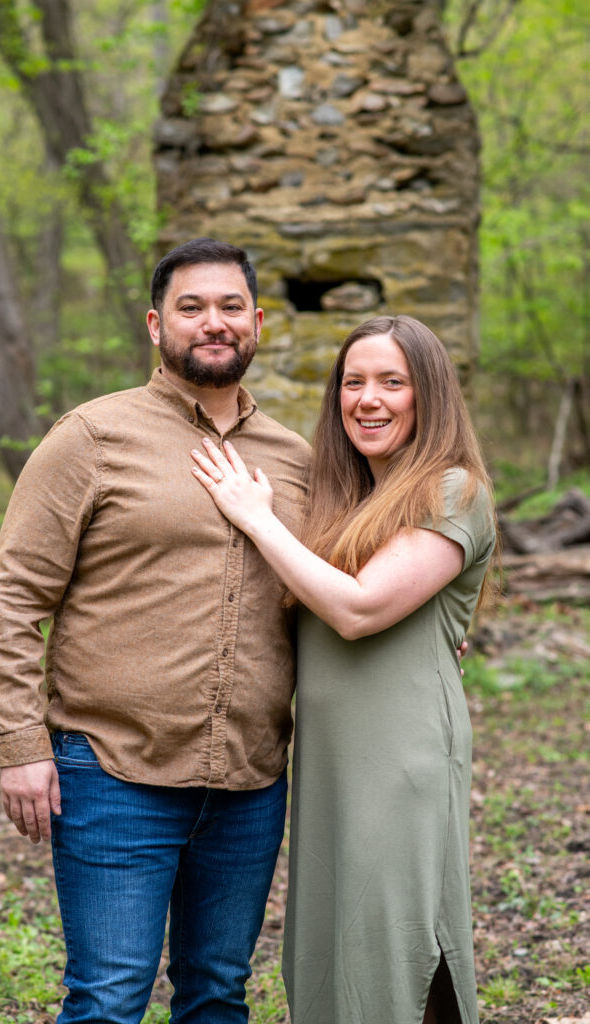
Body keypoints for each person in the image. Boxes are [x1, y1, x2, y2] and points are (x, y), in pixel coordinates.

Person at [0, 238, 311, 1024]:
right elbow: (15, 598)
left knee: (217, 995)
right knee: (106, 1001)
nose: (214, 322)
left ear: (257, 321)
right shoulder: (91, 438)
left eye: (231, 306)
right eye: (191, 307)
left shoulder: (296, 459)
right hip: (112, 772)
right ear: (156, 325)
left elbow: (331, 591)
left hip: (249, 782)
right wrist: (22, 749)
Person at [190, 314, 497, 1024]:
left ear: (430, 395)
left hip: (400, 756)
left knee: (396, 941)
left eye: (393, 382)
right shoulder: (349, 498)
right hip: (333, 758)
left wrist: (254, 517)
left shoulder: (451, 489)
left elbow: (357, 611)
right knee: (334, 943)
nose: (368, 399)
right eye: (352, 382)